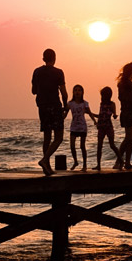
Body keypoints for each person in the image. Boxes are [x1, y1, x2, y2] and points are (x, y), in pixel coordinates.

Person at [31, 48, 67, 176]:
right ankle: (45, 160)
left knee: (47, 136)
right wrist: (66, 106)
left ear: (43, 59)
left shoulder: (36, 72)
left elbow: (33, 91)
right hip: (54, 106)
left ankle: (47, 166)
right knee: (58, 137)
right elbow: (63, 92)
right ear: (55, 58)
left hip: (42, 106)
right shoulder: (58, 72)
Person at [64, 84, 97, 171]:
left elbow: (89, 113)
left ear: (82, 92)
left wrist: (94, 121)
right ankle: (75, 161)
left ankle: (85, 165)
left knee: (82, 146)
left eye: (79, 90)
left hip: (82, 127)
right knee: (72, 146)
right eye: (75, 90)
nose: (77, 92)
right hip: (74, 127)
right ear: (73, 93)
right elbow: (64, 114)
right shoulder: (70, 103)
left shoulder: (84, 103)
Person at [93, 86, 122, 171]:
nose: (102, 97)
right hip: (101, 127)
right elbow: (100, 116)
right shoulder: (101, 104)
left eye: (103, 95)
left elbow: (114, 115)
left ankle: (121, 161)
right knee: (99, 146)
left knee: (112, 145)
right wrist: (90, 114)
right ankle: (98, 165)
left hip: (108, 126)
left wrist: (115, 115)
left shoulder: (112, 104)